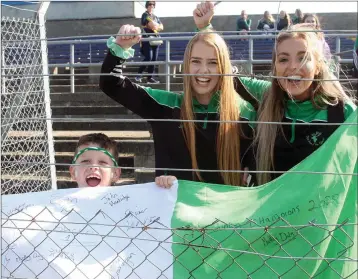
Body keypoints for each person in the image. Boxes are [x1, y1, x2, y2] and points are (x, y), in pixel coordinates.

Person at [194, 5, 356, 187]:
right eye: (284, 59)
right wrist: (205, 27)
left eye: (303, 58)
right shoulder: (266, 97)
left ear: (318, 66)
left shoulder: (343, 112)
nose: (293, 67)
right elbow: (226, 74)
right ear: (275, 66)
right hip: (274, 214)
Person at [99, 17, 256, 186]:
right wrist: (120, 47)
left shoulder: (245, 113)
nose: (203, 70)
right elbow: (111, 84)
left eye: (213, 63)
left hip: (225, 210)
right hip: (174, 210)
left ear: (224, 67)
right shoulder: (165, 105)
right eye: (195, 61)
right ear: (186, 65)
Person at [70, 133, 179, 188]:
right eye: (85, 162)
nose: (93, 167)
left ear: (116, 173)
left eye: (102, 162)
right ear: (72, 172)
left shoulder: (128, 204)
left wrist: (167, 186)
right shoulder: (57, 206)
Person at [135, 1, 163, 84]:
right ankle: (138, 75)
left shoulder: (156, 17)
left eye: (153, 5)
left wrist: (156, 26)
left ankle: (149, 78)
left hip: (155, 39)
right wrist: (156, 26)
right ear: (147, 6)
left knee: (154, 59)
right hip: (147, 39)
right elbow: (151, 25)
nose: (151, 6)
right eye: (150, 4)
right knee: (149, 58)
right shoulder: (145, 15)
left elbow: (161, 26)